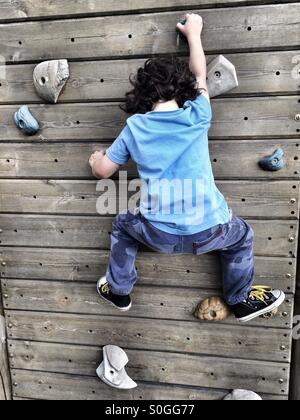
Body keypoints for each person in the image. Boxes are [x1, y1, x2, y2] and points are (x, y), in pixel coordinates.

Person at [89, 14, 285, 322]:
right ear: (183, 90)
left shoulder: (135, 127)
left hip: (158, 234)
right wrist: (194, 34)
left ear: (141, 96)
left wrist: (95, 158)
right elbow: (200, 76)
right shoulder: (197, 114)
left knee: (123, 224)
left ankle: (119, 290)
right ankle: (240, 299)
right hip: (211, 231)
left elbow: (103, 170)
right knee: (243, 236)